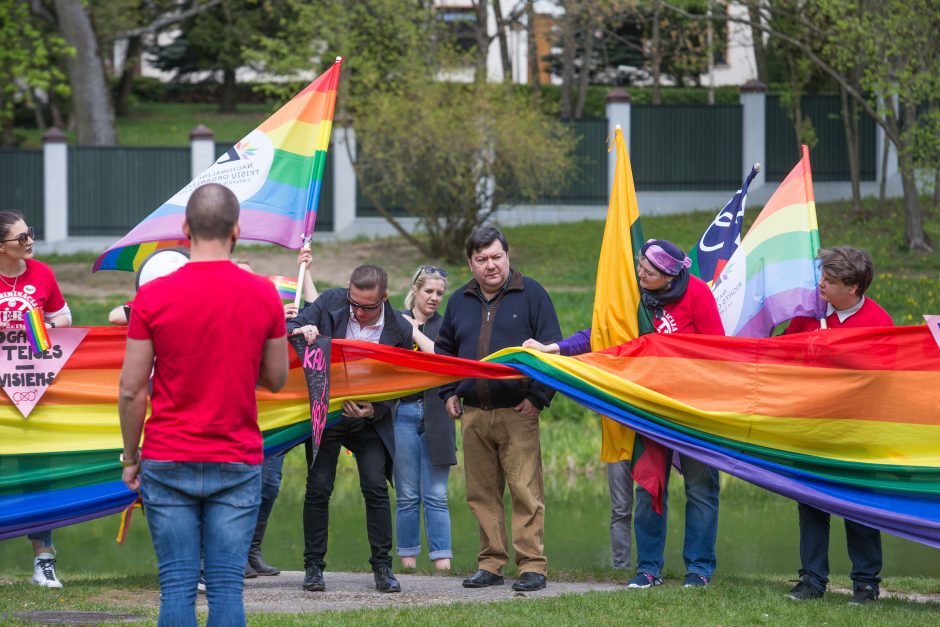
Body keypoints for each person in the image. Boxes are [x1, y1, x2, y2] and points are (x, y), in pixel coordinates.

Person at [118, 183, 289, 626]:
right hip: (236, 456)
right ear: (237, 230)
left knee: (176, 588)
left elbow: (132, 390)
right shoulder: (264, 294)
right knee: (227, 588)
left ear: (184, 228)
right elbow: (276, 379)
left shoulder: (151, 297)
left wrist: (131, 457)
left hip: (167, 455)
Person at [529, 239, 724, 588]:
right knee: (649, 488)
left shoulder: (696, 293)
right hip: (647, 408)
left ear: (668, 276)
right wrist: (553, 349)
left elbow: (717, 351)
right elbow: (601, 334)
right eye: (639, 268)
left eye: (648, 272)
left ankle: (699, 568)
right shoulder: (633, 295)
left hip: (694, 409)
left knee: (699, 487)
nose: (640, 275)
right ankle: (648, 567)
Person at [435, 225, 562, 592]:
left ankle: (532, 566)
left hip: (518, 411)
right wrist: (448, 392)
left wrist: (537, 398)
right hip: (473, 413)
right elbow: (444, 352)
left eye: (496, 256)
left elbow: (554, 350)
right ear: (470, 263)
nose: (491, 265)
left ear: (507, 255)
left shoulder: (533, 293)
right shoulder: (459, 300)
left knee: (525, 490)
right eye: (482, 259)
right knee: (481, 493)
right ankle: (490, 563)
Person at [288, 264, 414, 593]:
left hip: (369, 420)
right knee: (318, 488)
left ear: (385, 298)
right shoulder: (331, 302)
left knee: (375, 488)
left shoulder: (400, 327)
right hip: (328, 414)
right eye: (353, 303)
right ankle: (313, 567)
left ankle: (383, 569)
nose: (358, 312)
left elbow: (402, 378)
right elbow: (293, 325)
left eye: (368, 307)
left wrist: (377, 409)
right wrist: (304, 330)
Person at [783, 246, 892, 606]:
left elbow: (887, 378)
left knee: (859, 507)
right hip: (811, 429)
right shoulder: (808, 316)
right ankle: (811, 579)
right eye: (822, 276)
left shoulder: (879, 323)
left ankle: (865, 583)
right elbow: (778, 356)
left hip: (858, 433)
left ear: (855, 288)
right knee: (811, 504)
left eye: (830, 280)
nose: (821, 285)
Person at [234, 253, 318, 579]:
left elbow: (321, 308)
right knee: (243, 488)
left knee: (269, 486)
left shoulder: (278, 319)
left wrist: (287, 321)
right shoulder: (230, 318)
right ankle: (236, 553)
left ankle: (253, 549)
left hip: (276, 420)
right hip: (242, 419)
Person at [0, 210, 72, 589]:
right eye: (20, 237)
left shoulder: (42, 273)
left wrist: (36, 326)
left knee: (36, 474)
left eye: (30, 232)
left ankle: (43, 562)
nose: (29, 240)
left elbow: (64, 318)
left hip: (30, 389)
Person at [395, 265, 455, 571]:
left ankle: (442, 560)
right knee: (406, 494)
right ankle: (407, 561)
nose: (434, 298)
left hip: (437, 414)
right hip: (402, 412)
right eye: (428, 291)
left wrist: (415, 331)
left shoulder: (447, 326)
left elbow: (444, 357)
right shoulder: (394, 320)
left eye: (439, 293)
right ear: (415, 290)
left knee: (436, 494)